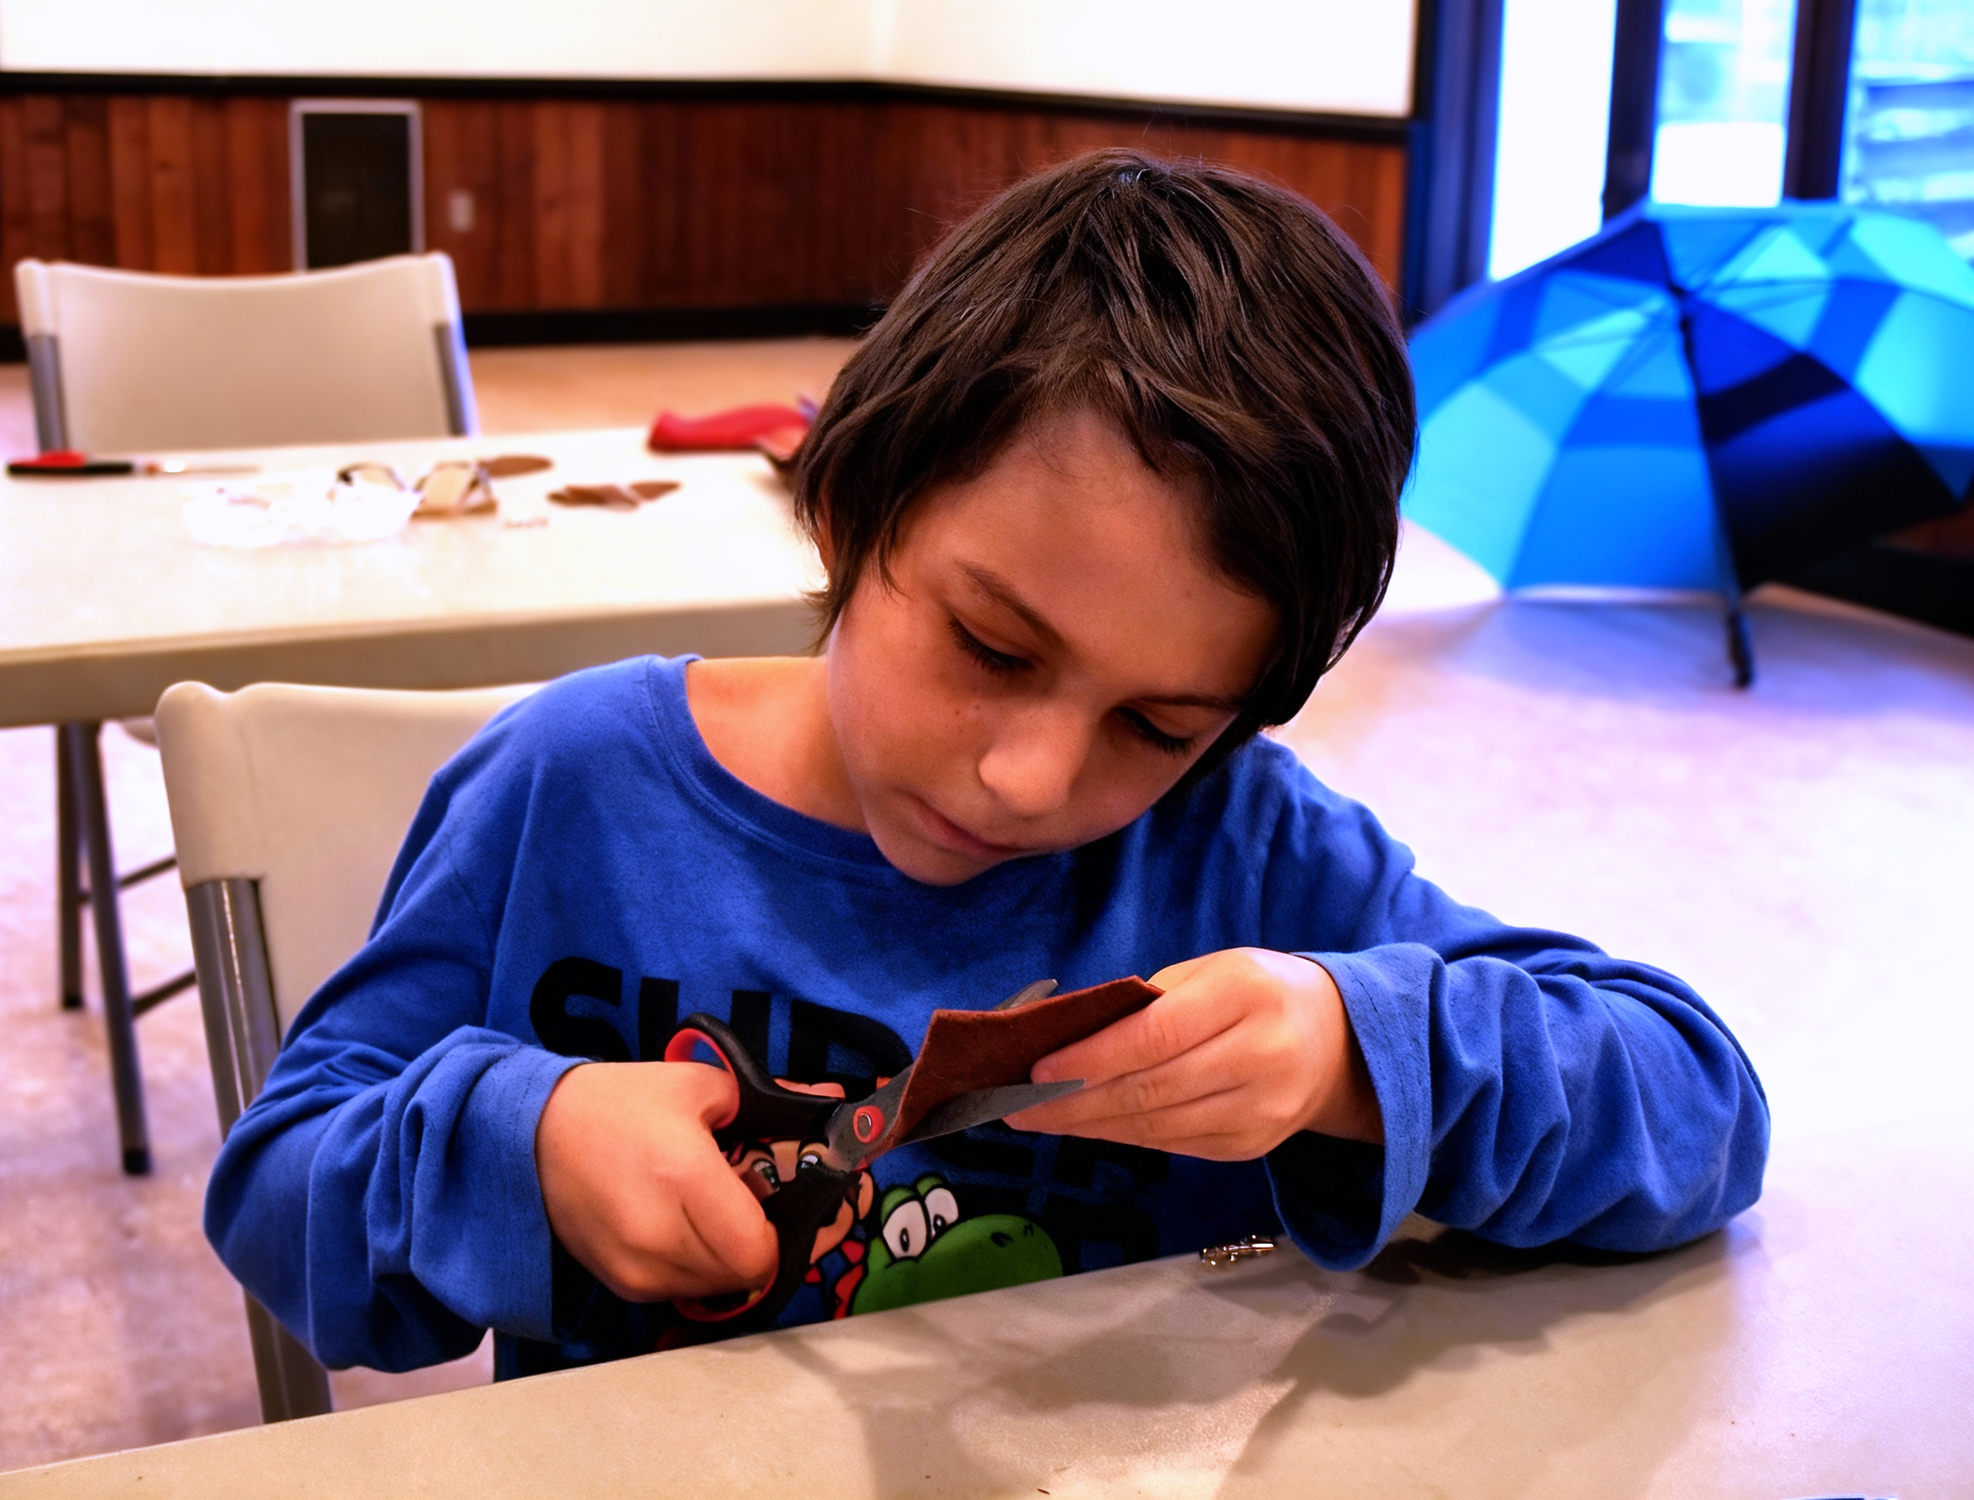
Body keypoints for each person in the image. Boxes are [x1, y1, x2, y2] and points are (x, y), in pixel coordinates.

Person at [205, 149, 1770, 1378]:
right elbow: (281, 1203)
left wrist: (1350, 1049)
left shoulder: (1247, 854)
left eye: (1156, 726)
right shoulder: (572, 789)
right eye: (991, 647)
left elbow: (1699, 1105)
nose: (1031, 779)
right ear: (849, 503)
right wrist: (524, 1141)